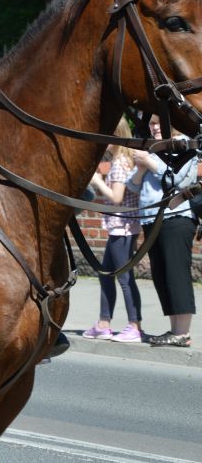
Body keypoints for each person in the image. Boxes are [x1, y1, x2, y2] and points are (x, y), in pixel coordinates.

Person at [131, 116, 196, 348]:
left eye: (159, 123)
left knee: (176, 274)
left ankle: (182, 332)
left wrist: (150, 163)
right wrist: (141, 169)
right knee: (161, 275)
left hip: (176, 217)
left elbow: (181, 180)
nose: (155, 127)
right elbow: (132, 186)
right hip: (151, 219)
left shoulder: (184, 145)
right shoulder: (151, 148)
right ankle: (174, 329)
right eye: (152, 124)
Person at [84, 140, 143, 342]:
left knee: (124, 279)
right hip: (122, 227)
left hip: (122, 228)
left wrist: (97, 181)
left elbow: (116, 198)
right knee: (105, 275)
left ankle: (135, 326)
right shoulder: (125, 161)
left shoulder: (119, 164)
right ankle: (103, 324)